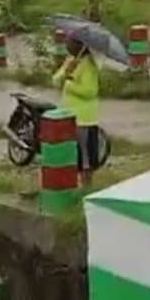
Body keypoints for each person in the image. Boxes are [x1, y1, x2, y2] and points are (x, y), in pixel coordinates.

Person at [52, 36, 100, 188]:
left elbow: (90, 91)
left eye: (71, 42)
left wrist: (69, 84)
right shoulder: (71, 61)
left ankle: (87, 187)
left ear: (80, 45)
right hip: (68, 115)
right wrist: (66, 72)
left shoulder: (89, 65)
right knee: (72, 154)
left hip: (84, 118)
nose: (67, 44)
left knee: (85, 157)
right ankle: (74, 185)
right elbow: (55, 80)